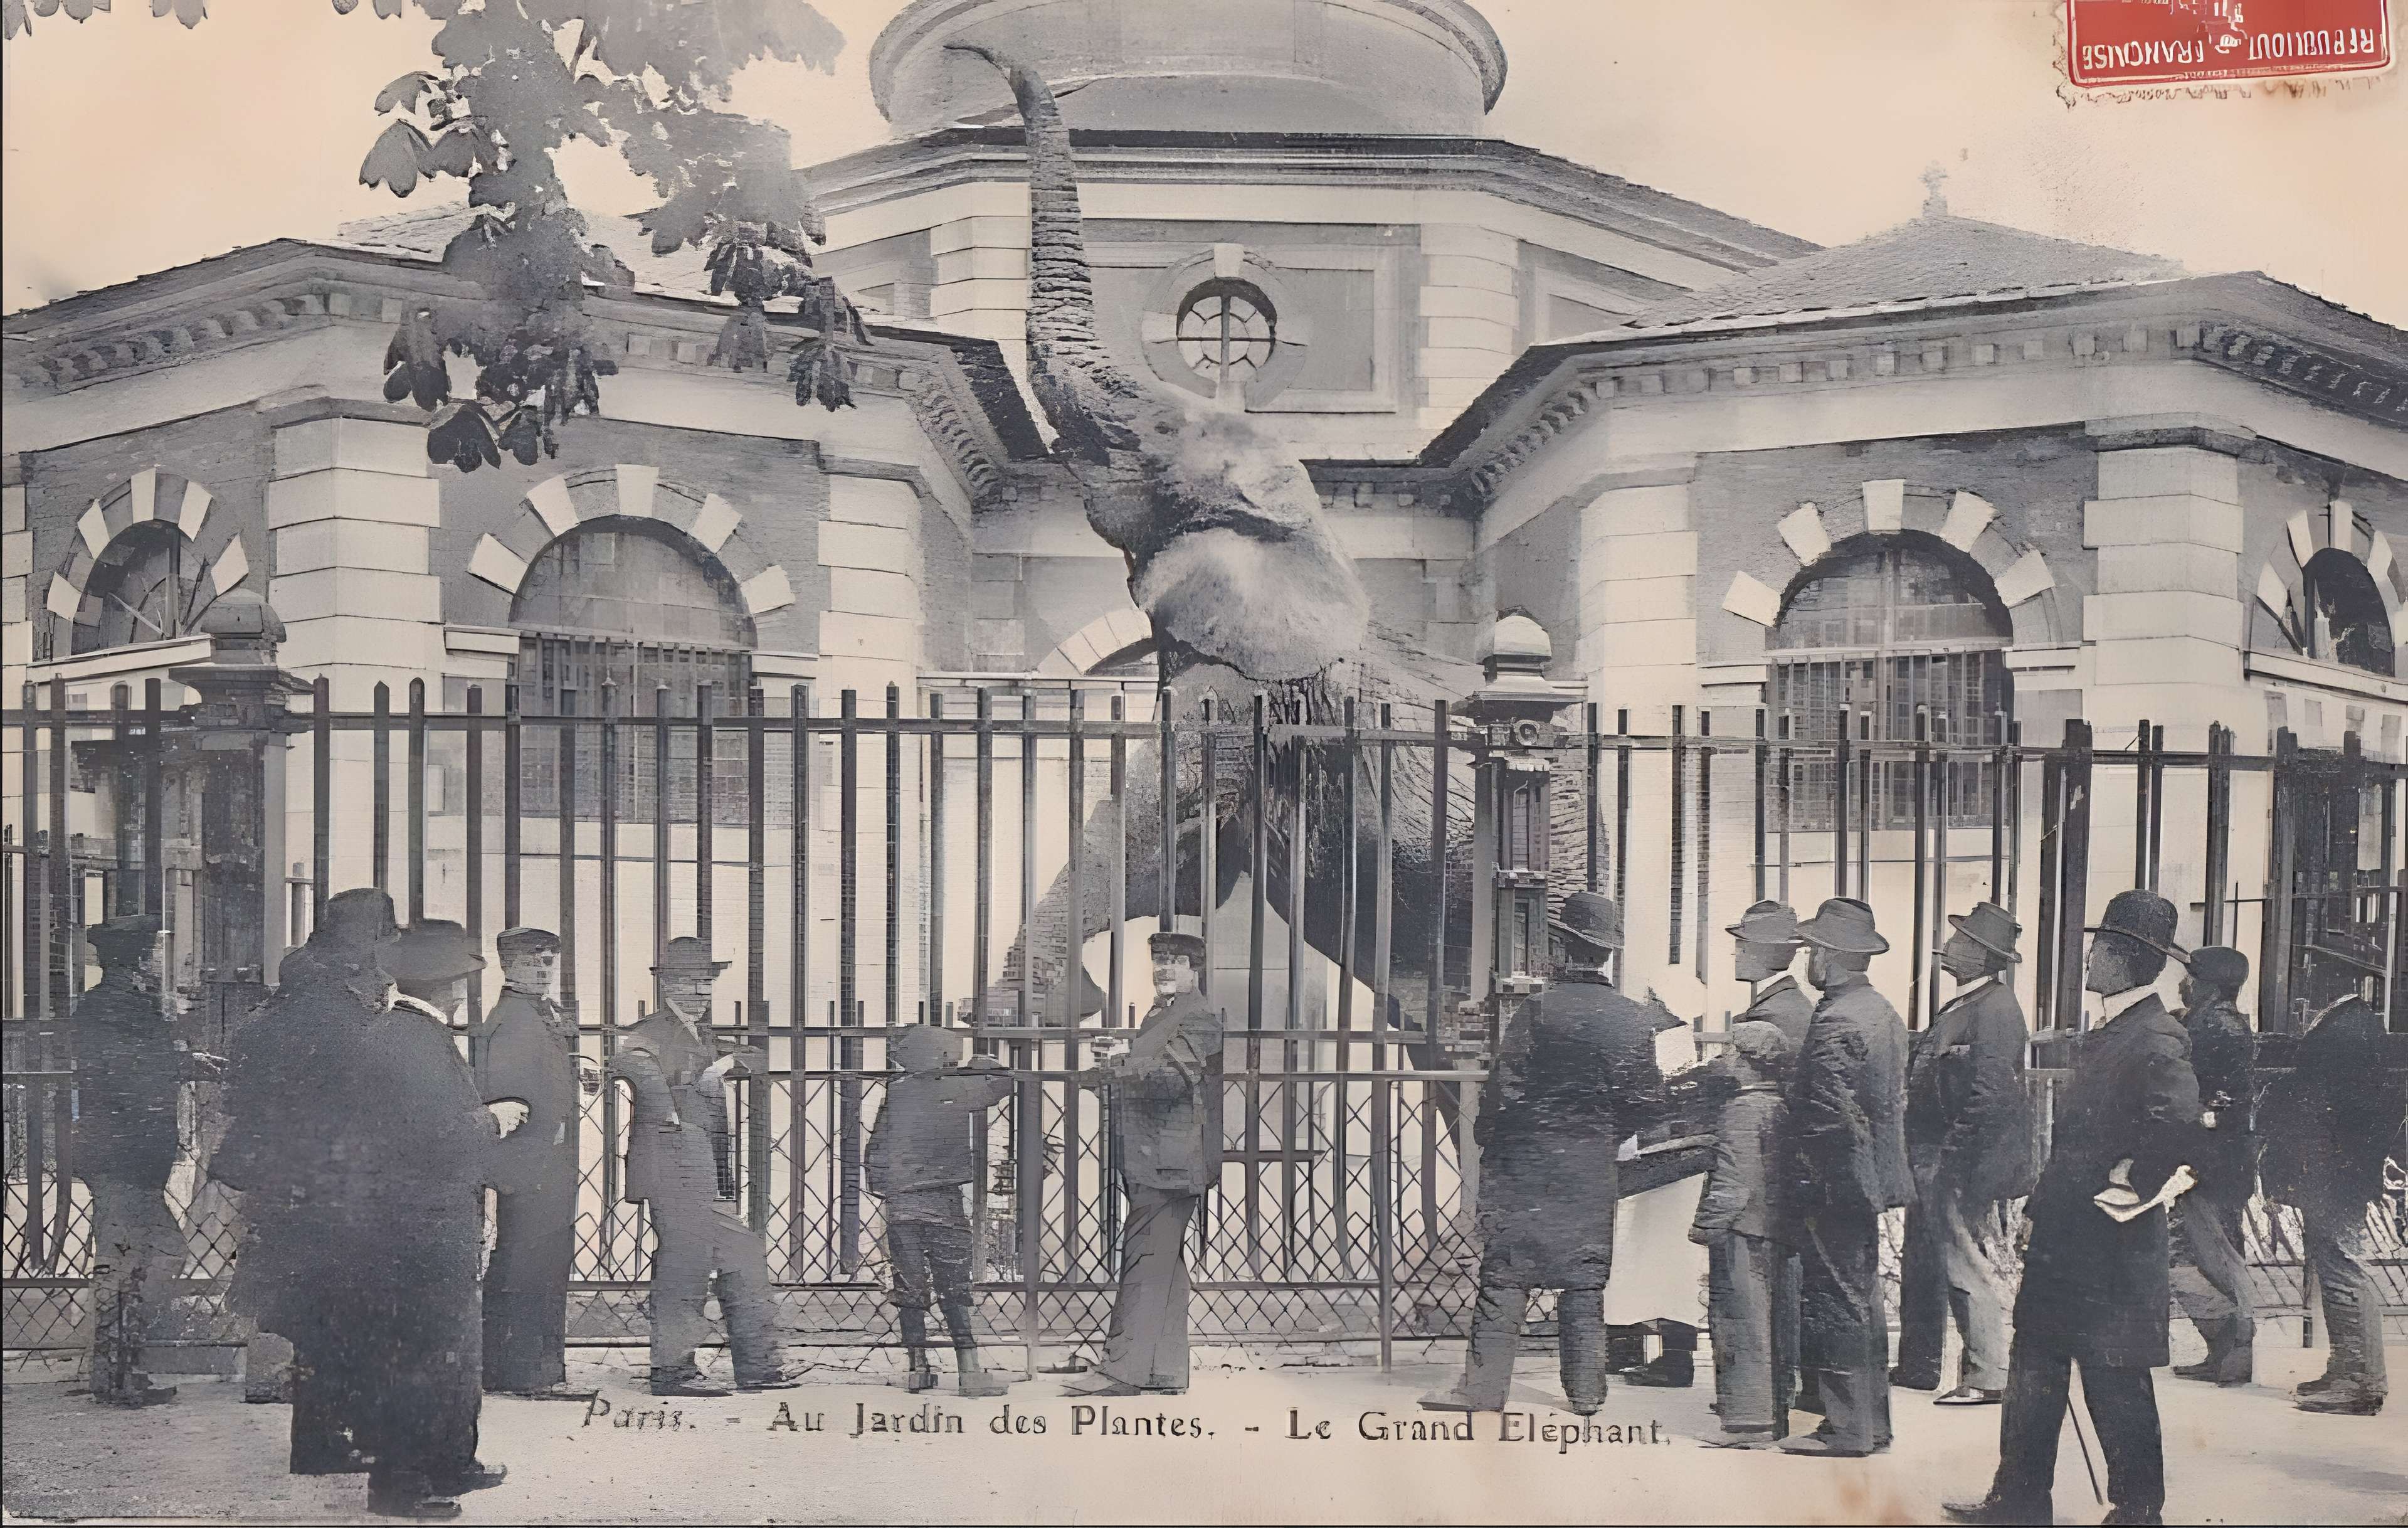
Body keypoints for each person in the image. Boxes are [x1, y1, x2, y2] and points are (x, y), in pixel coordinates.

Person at [1946, 889, 2201, 1528]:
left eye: (2097, 950)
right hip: (2067, 1239)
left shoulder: (2157, 1035)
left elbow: (2175, 1123)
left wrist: (2132, 1181)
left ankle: (2138, 1511)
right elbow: (2077, 1141)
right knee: (2036, 1370)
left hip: (2111, 1247)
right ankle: (2019, 1500)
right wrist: (2040, 1207)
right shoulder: (2116, 1028)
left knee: (2116, 1381)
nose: (2087, 960)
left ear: (2120, 960)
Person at [1420, 892, 1667, 1416]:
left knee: (1505, 1276)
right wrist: (1600, 1134)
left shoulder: (1538, 1011)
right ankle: (1586, 1393)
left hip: (1527, 1165)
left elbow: (1502, 1091)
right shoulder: (1632, 1021)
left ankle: (1483, 1392)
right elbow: (1647, 1105)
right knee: (1583, 1280)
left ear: (1562, 946)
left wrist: (1494, 1140)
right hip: (1589, 1169)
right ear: (1607, 954)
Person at [218, 889, 402, 1485]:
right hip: (332, 1186)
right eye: (378, 950)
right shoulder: (338, 1016)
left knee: (316, 1317)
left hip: (288, 1184)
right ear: (358, 954)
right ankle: (324, 1442)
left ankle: (324, 1436)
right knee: (341, 1317)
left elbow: (241, 1092)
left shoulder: (279, 1010)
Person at [609, 936, 806, 1398]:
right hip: (672, 1163)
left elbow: (758, 1058)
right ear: (667, 986)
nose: (699, 992)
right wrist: (674, 1105)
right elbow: (632, 1062)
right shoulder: (652, 1031)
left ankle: (757, 1367)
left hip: (701, 1170)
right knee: (685, 1265)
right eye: (687, 982)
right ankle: (673, 1372)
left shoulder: (705, 1036)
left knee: (741, 1254)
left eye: (705, 982)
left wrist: (724, 1064)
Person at [362, 920, 512, 1517]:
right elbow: (436, 1135)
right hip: (421, 1221)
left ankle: (452, 1460)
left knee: (448, 1347)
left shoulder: (397, 1032)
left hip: (419, 1216)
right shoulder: (416, 1040)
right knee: (423, 1350)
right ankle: (400, 1486)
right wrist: (494, 1119)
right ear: (451, 986)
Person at [1066, 930, 1225, 1398]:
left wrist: (1121, 1061)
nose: (1164, 969)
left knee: (1143, 1261)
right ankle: (1163, 1370)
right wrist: (1100, 1072)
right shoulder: (1163, 1014)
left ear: (1195, 970)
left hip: (1172, 1164)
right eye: (1159, 961)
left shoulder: (1199, 1019)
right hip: (1154, 1159)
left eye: (1176, 962)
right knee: (1164, 1267)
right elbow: (1141, 1073)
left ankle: (1121, 1371)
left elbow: (1169, 1081)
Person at [1780, 896, 1911, 1458]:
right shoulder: (1880, 1010)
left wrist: (1808, 1177)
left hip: (1835, 1182)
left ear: (1829, 957)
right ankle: (1871, 1422)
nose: (1806, 957)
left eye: (1811, 948)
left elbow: (1827, 1116)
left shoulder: (1835, 1020)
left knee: (1835, 1298)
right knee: (1863, 1299)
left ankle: (1845, 1427)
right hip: (1870, 1177)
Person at [1894, 901, 2035, 1406]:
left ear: (1979, 955)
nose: (1947, 945)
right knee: (1934, 1258)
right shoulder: (1967, 1004)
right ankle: (1921, 1365)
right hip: (1935, 1153)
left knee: (1963, 1261)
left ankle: (1988, 1375)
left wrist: (1952, 1158)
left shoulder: (1996, 1010)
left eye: (1958, 939)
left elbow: (1992, 1095)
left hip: (1958, 1161)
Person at [2258, 945, 2399, 1418]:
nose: (2305, 975)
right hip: (2338, 1170)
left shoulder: (2345, 1030)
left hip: (2335, 1172)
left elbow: (2338, 1111)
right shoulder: (2352, 1024)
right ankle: (2347, 1368)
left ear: (2338, 976)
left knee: (2342, 1266)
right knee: (2334, 1264)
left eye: (2315, 968)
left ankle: (2360, 1380)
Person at [473, 926, 597, 1399]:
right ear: (508, 965)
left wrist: (574, 1074)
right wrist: (551, 1126)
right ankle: (529, 1373)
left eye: (549, 961)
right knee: (533, 1262)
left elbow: (540, 1076)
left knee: (536, 1259)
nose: (543, 969)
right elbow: (506, 1093)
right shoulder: (512, 1019)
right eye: (532, 961)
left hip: (544, 1159)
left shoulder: (537, 1013)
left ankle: (516, 1368)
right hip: (532, 1161)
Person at [73, 914, 189, 1409]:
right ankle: (119, 1376)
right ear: (140, 958)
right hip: (125, 1153)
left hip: (122, 1152)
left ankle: (118, 1372)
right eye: (156, 950)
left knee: (141, 1258)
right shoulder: (119, 1009)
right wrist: (177, 1065)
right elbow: (129, 1076)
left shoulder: (111, 1006)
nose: (163, 958)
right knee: (133, 1263)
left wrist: (184, 1063)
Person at [865, 1024, 1016, 1397]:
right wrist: (987, 1064)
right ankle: (969, 1370)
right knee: (954, 1283)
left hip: (901, 1205)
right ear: (943, 1058)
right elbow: (1002, 1085)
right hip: (942, 1201)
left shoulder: (897, 1091)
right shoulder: (953, 1086)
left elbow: (876, 1147)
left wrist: (887, 1188)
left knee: (910, 1283)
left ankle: (918, 1366)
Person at [1689, 1018, 1796, 1447]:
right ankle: (1778, 1409)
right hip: (1779, 1230)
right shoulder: (1781, 1105)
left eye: (1731, 1050)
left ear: (1746, 1060)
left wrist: (1706, 1226)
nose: (1725, 1058)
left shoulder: (1739, 1110)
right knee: (1778, 1323)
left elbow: (1734, 1181)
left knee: (1740, 1323)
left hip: (1742, 1230)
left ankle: (1748, 1421)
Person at [2167, 945, 2257, 1387]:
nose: (2183, 983)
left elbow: (2205, 1094)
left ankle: (2232, 1343)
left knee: (2212, 1254)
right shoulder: (2210, 1021)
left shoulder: (2216, 1027)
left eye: (2190, 976)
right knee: (2207, 1253)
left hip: (2212, 1161)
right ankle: (2224, 1349)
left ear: (2207, 984)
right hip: (2216, 1159)